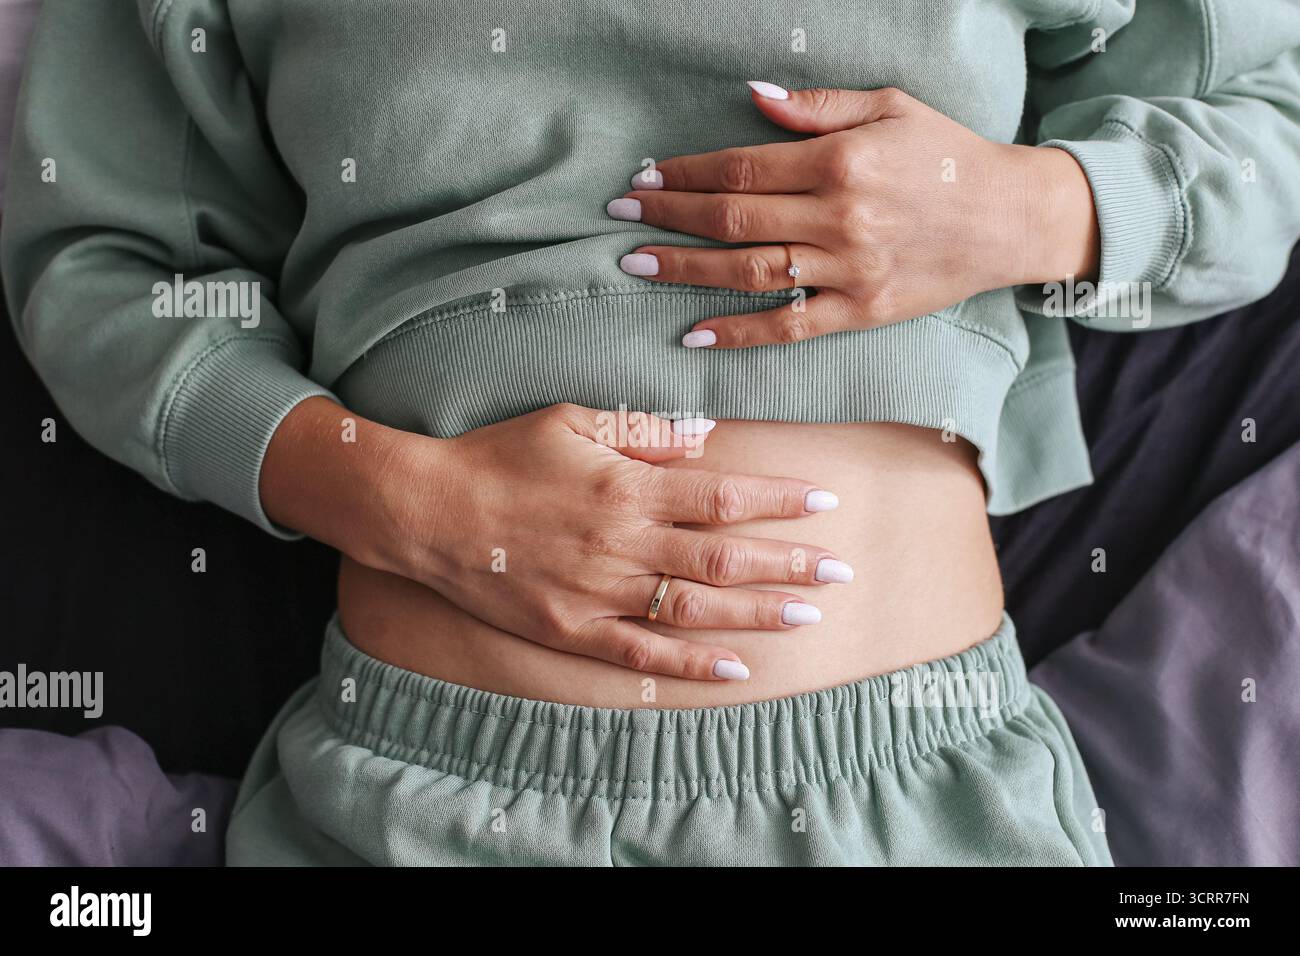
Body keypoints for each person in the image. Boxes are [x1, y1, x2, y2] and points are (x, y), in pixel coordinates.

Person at [5, 0, 1299, 865]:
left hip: (920, 803)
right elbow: (106, 263)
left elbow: (1268, 118)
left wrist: (1029, 207)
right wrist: (403, 501)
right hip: (416, 809)